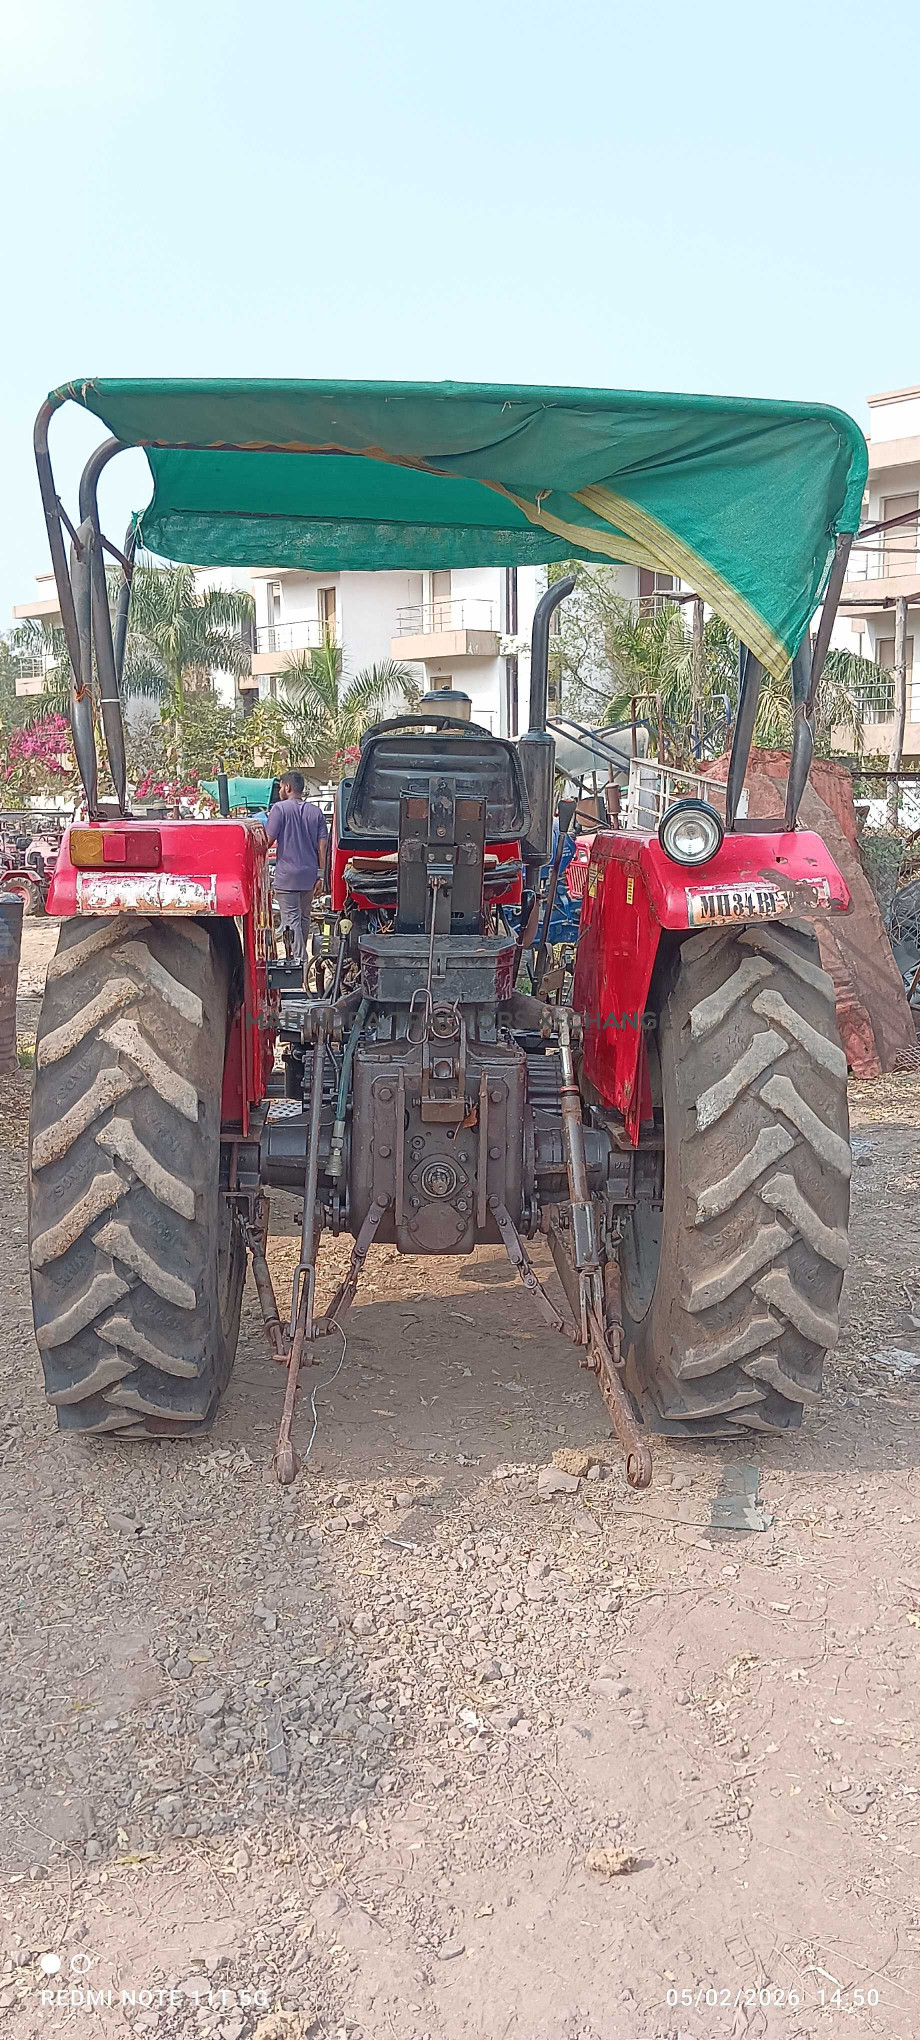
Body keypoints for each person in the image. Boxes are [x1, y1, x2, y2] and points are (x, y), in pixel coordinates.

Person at [265, 770, 328, 968]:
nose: (280, 791)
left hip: (287, 876)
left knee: (291, 920)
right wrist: (321, 875)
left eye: (281, 787)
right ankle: (304, 962)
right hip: (309, 875)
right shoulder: (315, 812)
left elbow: (267, 840)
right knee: (304, 918)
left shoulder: (279, 809)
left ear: (287, 787)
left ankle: (301, 964)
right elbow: (323, 846)